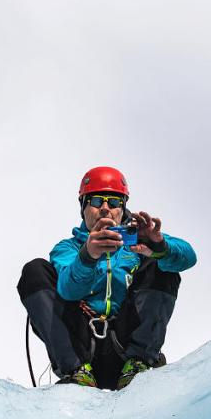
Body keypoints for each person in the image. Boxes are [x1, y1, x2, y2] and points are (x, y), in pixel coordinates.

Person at [17, 166, 197, 390]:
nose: (105, 209)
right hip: (83, 348)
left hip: (125, 346)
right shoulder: (69, 249)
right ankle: (75, 371)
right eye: (96, 202)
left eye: (113, 203)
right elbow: (68, 290)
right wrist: (87, 257)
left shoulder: (137, 241)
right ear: (83, 207)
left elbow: (189, 257)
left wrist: (159, 247)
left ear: (123, 208)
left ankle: (139, 362)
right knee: (35, 271)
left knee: (161, 265)